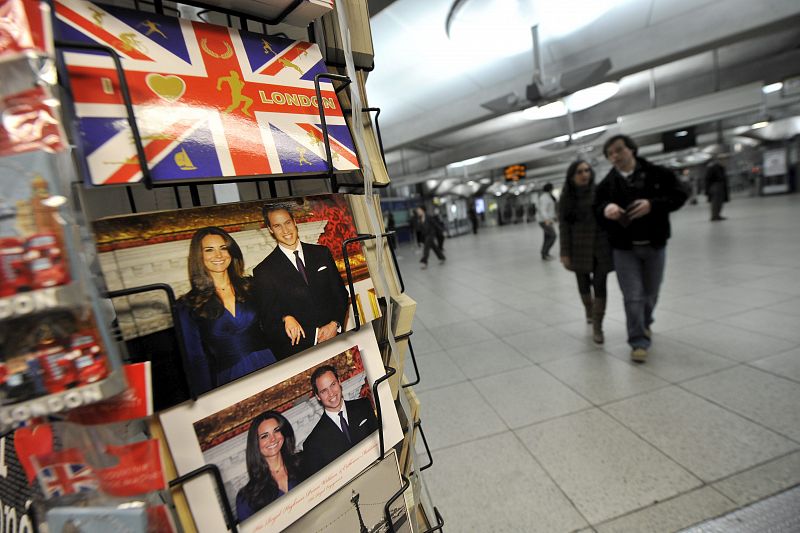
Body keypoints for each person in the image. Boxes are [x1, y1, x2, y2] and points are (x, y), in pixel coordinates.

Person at [594, 134, 687, 362]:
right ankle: (638, 341)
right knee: (632, 296)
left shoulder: (659, 174)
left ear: (632, 150)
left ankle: (646, 321)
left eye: (619, 150)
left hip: (654, 244)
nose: (615, 156)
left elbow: (679, 195)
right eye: (610, 154)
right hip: (624, 249)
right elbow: (596, 210)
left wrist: (652, 205)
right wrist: (607, 209)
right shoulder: (606, 185)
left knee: (651, 292)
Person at [177, 227, 276, 394]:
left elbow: (272, 320)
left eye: (223, 248)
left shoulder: (250, 286)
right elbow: (195, 359)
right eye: (209, 250)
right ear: (198, 256)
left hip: (269, 364)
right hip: (231, 380)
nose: (218, 255)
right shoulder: (187, 305)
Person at [253, 206, 349, 359]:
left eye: (288, 223)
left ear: (295, 222)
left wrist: (334, 324)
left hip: (336, 339)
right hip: (302, 351)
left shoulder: (321, 253)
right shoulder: (264, 271)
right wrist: (314, 335)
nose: (285, 230)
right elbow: (269, 323)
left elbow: (340, 294)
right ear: (270, 230)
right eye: (277, 226)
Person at [558, 161, 613, 344]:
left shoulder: (599, 193)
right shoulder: (566, 199)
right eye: (579, 172)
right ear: (572, 176)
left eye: (587, 171)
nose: (584, 175)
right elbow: (564, 227)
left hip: (600, 246)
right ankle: (588, 309)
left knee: (600, 284)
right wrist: (564, 252)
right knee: (583, 283)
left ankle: (598, 326)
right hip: (578, 247)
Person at [302, 365, 378, 476]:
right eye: (324, 391)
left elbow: (381, 441)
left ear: (339, 382)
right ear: (318, 396)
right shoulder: (312, 443)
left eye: (333, 385)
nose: (331, 393)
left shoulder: (363, 405)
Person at [235, 411, 306, 522]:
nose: (272, 439)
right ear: (255, 443)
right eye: (264, 436)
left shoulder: (304, 462)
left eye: (276, 431)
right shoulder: (246, 497)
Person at [538, 183, 557, 260]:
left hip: (547, 220)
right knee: (553, 236)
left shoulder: (547, 196)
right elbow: (543, 210)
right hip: (545, 221)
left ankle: (545, 254)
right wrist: (547, 220)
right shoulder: (544, 198)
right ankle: (544, 253)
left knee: (547, 237)